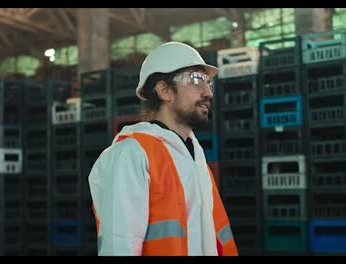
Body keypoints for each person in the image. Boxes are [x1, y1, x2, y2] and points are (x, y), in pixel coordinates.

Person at [88, 41, 238, 256]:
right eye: (196, 80)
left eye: (208, 83)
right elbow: (119, 246)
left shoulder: (194, 156)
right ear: (164, 90)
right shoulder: (131, 154)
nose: (208, 93)